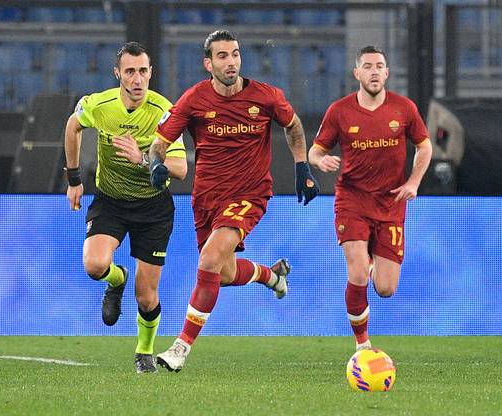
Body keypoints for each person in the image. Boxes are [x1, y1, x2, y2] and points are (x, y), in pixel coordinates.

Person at [147, 30, 319, 372]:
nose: (232, 62)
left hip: (249, 195)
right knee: (222, 273)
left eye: (236, 54)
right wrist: (156, 165)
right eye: (223, 56)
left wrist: (302, 165)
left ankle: (180, 348)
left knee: (209, 260)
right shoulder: (194, 99)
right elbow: (159, 143)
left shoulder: (266, 96)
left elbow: (294, 125)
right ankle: (271, 276)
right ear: (208, 63)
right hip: (207, 199)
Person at [63, 41, 187, 373]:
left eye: (142, 71)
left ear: (151, 73)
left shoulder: (164, 112)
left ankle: (144, 352)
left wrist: (144, 159)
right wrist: (74, 178)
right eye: (129, 71)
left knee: (146, 296)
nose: (136, 79)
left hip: (153, 208)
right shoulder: (99, 105)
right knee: (94, 265)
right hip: (111, 202)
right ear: (118, 74)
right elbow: (72, 127)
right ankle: (116, 279)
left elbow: (180, 169)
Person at [308, 46, 432, 351]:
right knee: (358, 272)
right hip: (352, 201)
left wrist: (414, 182)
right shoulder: (340, 111)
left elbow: (425, 147)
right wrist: (319, 160)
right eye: (368, 66)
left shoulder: (404, 108)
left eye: (380, 66)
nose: (374, 71)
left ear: (387, 73)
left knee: (386, 289)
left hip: (391, 204)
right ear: (357, 74)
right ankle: (363, 345)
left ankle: (374, 261)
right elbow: (315, 150)